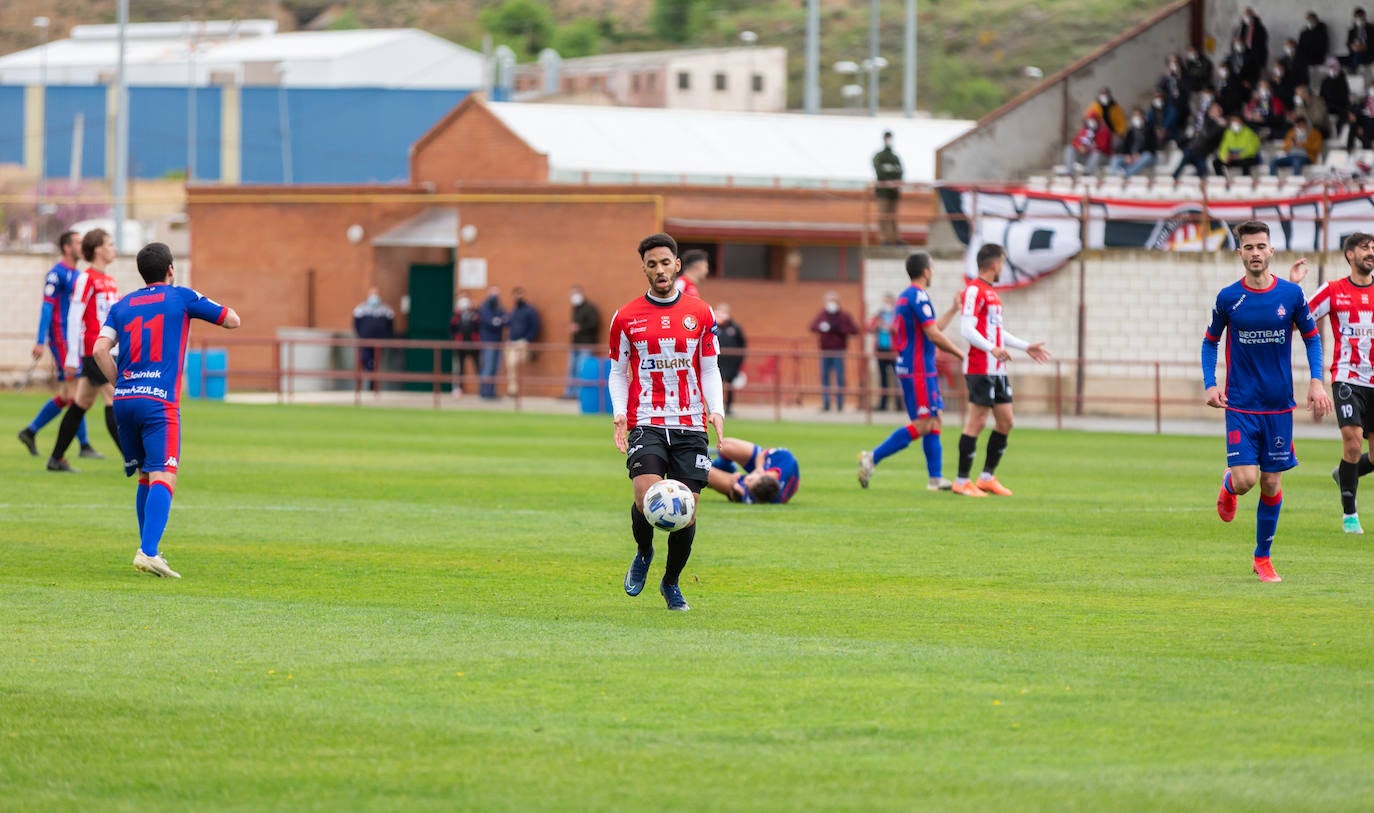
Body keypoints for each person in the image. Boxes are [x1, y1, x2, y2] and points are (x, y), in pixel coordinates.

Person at [93, 242, 241, 578]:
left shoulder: (123, 304)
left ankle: (150, 549)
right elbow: (232, 320)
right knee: (165, 474)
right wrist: (195, 300)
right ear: (171, 269)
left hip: (125, 400)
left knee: (146, 474)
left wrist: (121, 386)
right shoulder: (181, 296)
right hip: (159, 402)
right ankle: (147, 552)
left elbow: (100, 349)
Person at [1203, 220, 1331, 583]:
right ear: (1239, 252)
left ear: (1271, 250)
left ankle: (1262, 558)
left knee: (1271, 484)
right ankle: (1230, 484)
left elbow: (1312, 338)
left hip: (1279, 407)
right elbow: (1210, 341)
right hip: (1241, 405)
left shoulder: (1291, 295)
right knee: (1246, 481)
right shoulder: (1229, 297)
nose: (1255, 253)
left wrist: (1317, 382)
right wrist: (1211, 384)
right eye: (1249, 247)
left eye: (1261, 246)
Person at [610, 232, 724, 612]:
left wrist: (717, 410)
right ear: (644, 268)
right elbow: (617, 372)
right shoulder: (625, 317)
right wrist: (619, 415)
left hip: (691, 423)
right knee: (646, 497)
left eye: (665, 262)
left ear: (677, 265)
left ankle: (671, 582)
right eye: (651, 264)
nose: (659, 270)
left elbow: (710, 368)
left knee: (685, 511)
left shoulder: (701, 312)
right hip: (647, 419)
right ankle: (644, 552)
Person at [857, 252, 965, 493]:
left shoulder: (906, 297)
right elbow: (934, 335)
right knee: (925, 423)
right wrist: (961, 354)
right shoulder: (917, 297)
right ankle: (872, 457)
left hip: (917, 367)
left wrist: (953, 309)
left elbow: (931, 328)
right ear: (926, 271)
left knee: (934, 420)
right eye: (932, 268)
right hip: (918, 370)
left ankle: (935, 479)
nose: (933, 272)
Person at [952, 243, 1051, 498]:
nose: (1003, 268)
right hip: (979, 367)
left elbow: (996, 332)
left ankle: (986, 478)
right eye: (1003, 263)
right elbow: (966, 329)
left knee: (1006, 421)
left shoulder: (991, 293)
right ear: (995, 264)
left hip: (996, 368)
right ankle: (962, 480)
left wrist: (1024, 346)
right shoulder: (974, 290)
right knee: (977, 422)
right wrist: (990, 348)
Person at [1293, 232, 1374, 535]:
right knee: (1353, 442)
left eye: (1373, 249)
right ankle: (1350, 515)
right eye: (1365, 248)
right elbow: (1301, 317)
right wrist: (1295, 287)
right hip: (1348, 378)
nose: (1371, 253)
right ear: (1350, 255)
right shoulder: (1334, 290)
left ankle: (1343, 475)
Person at [46, 228, 123, 473]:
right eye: (110, 244)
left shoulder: (110, 281)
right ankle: (133, 459)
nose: (113, 249)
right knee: (113, 398)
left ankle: (56, 458)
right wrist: (71, 355)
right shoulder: (86, 278)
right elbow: (75, 314)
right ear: (98, 249)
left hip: (108, 350)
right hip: (93, 350)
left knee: (81, 402)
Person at [17, 229, 98, 460]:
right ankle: (83, 445)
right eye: (77, 243)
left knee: (65, 394)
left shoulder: (78, 274)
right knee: (76, 392)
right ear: (66, 247)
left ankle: (30, 431)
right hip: (61, 338)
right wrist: (40, 341)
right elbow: (46, 307)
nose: (82, 247)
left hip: (73, 339)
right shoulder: (56, 274)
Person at [809, 291, 860, 412]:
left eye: (833, 301)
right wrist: (821, 327)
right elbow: (812, 327)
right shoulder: (822, 315)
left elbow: (854, 330)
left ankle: (840, 403)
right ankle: (826, 402)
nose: (831, 303)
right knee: (824, 377)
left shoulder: (844, 316)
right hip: (825, 350)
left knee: (840, 377)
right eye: (829, 301)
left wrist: (839, 329)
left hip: (838, 350)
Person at [707, 438, 799, 504]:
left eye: (747, 485)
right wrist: (759, 467)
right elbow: (762, 454)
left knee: (702, 472)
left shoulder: (764, 495)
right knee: (724, 445)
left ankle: (718, 469)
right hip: (761, 467)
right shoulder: (786, 459)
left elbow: (740, 496)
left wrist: (735, 491)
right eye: (750, 480)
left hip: (758, 485)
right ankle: (725, 466)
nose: (745, 482)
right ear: (763, 474)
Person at [352, 285, 394, 393]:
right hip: (365, 341)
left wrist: (386, 338)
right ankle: (371, 378)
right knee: (366, 360)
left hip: (379, 343)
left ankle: (373, 385)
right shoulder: (361, 308)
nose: (374, 296)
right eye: (372, 293)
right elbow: (356, 325)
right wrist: (361, 336)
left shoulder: (386, 309)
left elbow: (390, 326)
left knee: (376, 363)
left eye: (376, 293)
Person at [563, 285, 601, 399]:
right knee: (571, 369)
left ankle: (581, 394)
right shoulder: (575, 309)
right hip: (575, 344)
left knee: (581, 369)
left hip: (586, 344)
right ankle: (570, 393)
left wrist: (580, 327)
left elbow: (594, 323)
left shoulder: (590, 308)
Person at [504, 286, 541, 397]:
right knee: (510, 366)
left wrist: (527, 339)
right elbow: (509, 324)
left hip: (522, 342)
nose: (517, 296)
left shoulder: (529, 310)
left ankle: (514, 390)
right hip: (511, 342)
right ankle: (512, 390)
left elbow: (535, 326)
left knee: (513, 363)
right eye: (515, 294)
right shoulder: (513, 310)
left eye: (519, 294)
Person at [1174, 101, 1227, 179]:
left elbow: (1214, 138)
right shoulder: (1206, 121)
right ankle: (1173, 180)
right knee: (1178, 169)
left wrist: (1220, 126)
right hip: (1192, 149)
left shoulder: (1219, 125)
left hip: (1201, 153)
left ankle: (1188, 180)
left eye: (1216, 111)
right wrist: (1219, 126)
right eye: (1213, 110)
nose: (1214, 112)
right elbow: (1207, 135)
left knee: (1203, 171)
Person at [872, 130, 904, 245]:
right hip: (883, 192)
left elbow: (900, 172)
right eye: (887, 138)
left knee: (893, 216)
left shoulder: (895, 158)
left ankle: (894, 238)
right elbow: (879, 172)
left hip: (894, 192)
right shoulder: (879, 156)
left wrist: (895, 183)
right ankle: (883, 238)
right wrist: (889, 181)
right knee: (883, 215)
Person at [714, 302, 746, 416]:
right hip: (717, 362)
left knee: (730, 385)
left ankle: (729, 407)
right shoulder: (714, 327)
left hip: (732, 363)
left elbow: (742, 344)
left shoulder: (735, 327)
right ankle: (716, 407)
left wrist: (740, 360)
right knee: (717, 385)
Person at [1108, 108, 1159, 178]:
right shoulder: (1131, 131)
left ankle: (1126, 173)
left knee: (1146, 156)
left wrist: (1139, 154)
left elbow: (1152, 146)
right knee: (1115, 158)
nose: (1136, 118)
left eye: (1138, 115)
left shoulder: (1150, 129)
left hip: (1146, 156)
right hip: (1132, 156)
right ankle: (1114, 176)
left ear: (1143, 116)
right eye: (1134, 116)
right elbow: (1126, 145)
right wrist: (1127, 155)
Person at [868, 293, 897, 410]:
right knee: (883, 378)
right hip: (881, 350)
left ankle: (899, 405)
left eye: (889, 302)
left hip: (894, 351)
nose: (887, 304)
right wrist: (877, 325)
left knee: (897, 379)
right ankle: (883, 405)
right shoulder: (879, 315)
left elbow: (899, 329)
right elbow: (869, 328)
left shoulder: (897, 315)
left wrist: (889, 327)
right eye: (885, 302)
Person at [476, 286, 505, 399]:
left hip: (498, 341)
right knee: (487, 367)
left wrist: (499, 320)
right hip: (488, 341)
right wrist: (498, 321)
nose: (495, 296)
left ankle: (491, 392)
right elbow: (490, 321)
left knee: (495, 368)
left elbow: (505, 318)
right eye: (493, 294)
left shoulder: (499, 307)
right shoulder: (485, 306)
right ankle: (484, 392)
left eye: (497, 294)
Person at [1062, 114, 1112, 178]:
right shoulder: (1085, 130)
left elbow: (1103, 147)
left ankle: (1088, 174)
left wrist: (1092, 146)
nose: (1091, 123)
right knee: (1069, 148)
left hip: (1102, 158)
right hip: (1086, 157)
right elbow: (1075, 141)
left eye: (1093, 121)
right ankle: (1069, 173)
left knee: (1096, 153)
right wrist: (1080, 146)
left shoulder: (1104, 131)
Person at [449, 293, 480, 397]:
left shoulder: (475, 315)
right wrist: (455, 342)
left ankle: (483, 389)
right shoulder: (455, 317)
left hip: (473, 345)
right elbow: (452, 330)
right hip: (460, 346)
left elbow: (479, 327)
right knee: (459, 369)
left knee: (478, 367)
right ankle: (458, 389)